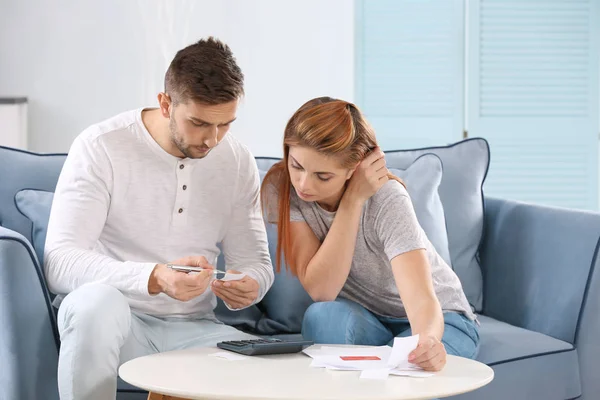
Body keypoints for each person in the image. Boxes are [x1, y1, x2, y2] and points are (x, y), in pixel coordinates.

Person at [44, 37, 274, 400]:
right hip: (119, 326)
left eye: (225, 124)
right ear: (165, 104)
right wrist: (154, 277)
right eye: (199, 123)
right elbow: (59, 261)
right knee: (94, 305)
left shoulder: (236, 160)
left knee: (277, 370)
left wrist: (249, 286)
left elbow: (256, 265)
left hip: (195, 330)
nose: (212, 139)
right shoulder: (101, 146)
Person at [261, 97, 479, 372]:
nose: (304, 184)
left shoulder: (387, 198)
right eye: (297, 165)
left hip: (441, 319)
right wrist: (352, 202)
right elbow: (322, 290)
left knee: (403, 376)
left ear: (355, 168)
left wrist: (428, 341)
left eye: (323, 176)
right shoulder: (283, 188)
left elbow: (423, 300)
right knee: (321, 316)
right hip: (368, 319)